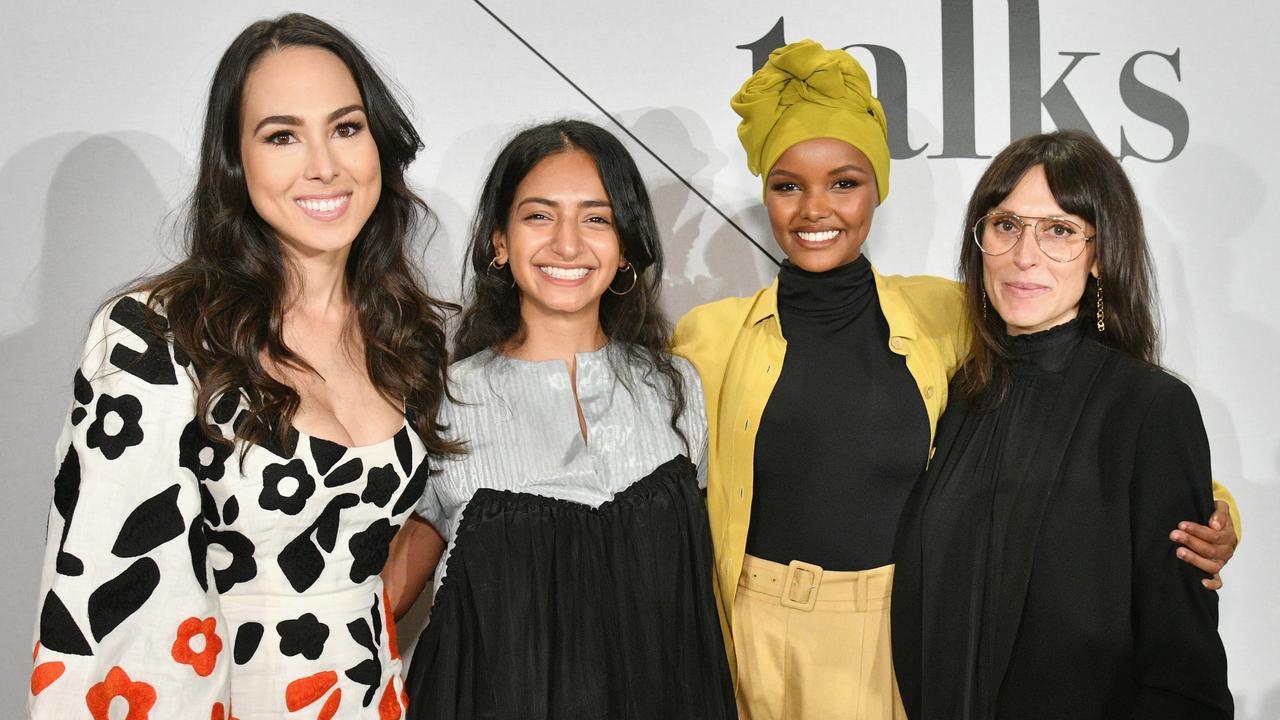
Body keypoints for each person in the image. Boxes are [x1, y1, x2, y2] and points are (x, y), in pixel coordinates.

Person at [671, 40, 1239, 719]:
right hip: (759, 639)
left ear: (877, 185)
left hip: (894, 640)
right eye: (787, 184)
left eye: (844, 181)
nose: (815, 208)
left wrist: (1216, 512)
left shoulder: (947, 318)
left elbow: (1099, 436)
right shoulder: (709, 337)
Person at [29, 14, 455, 719]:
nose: (324, 164)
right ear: (235, 161)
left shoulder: (403, 334)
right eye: (282, 135)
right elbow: (111, 614)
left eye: (346, 127)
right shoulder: (154, 336)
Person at [384, 120, 735, 720]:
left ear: (626, 244)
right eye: (539, 216)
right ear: (499, 241)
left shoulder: (677, 392)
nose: (567, 245)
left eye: (596, 218)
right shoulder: (440, 401)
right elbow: (375, 602)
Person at [891, 130, 1233, 718]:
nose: (1025, 255)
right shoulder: (948, 398)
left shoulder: (1149, 408)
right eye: (1005, 225)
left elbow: (1184, 671)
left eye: (1060, 230)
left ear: (1101, 253)